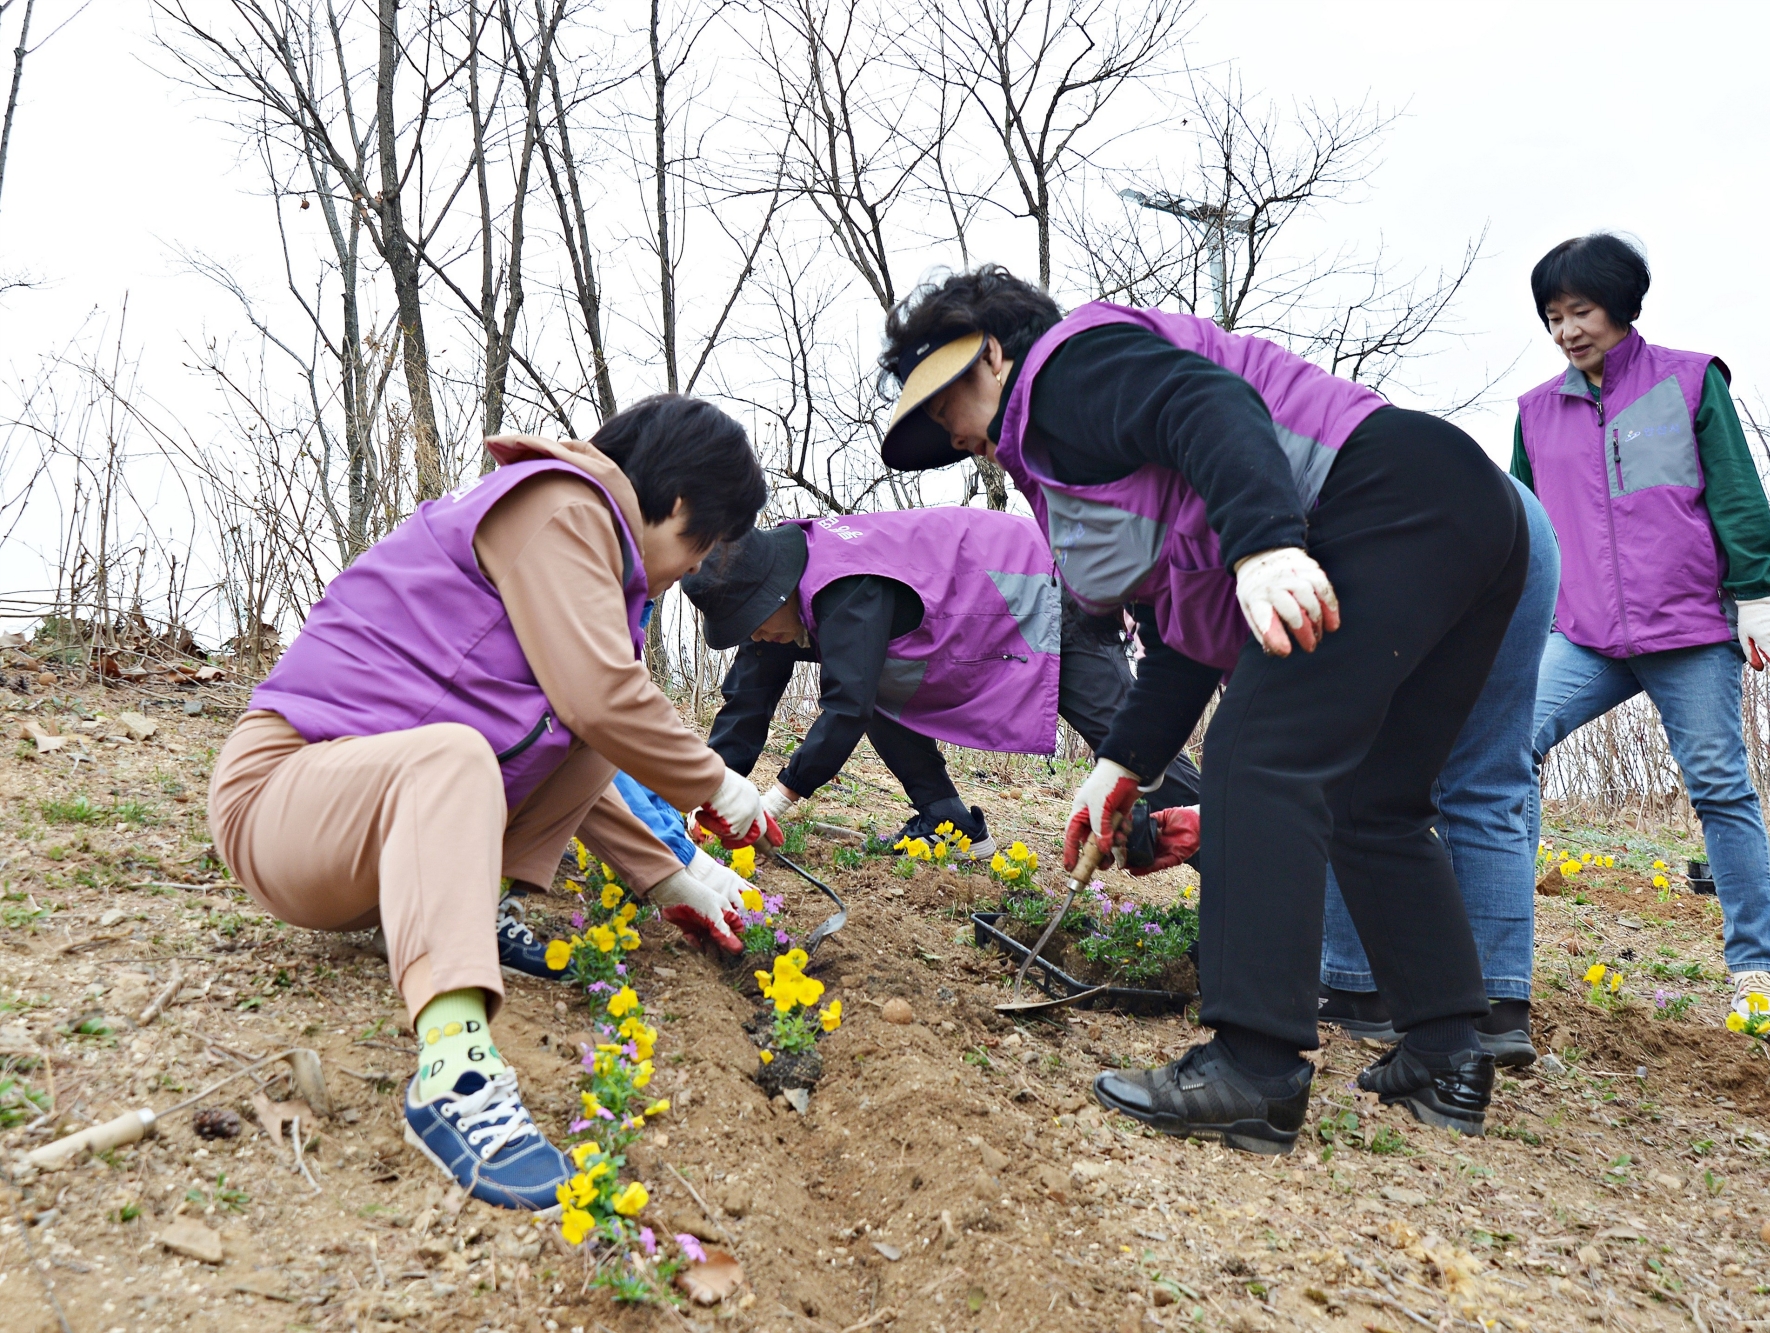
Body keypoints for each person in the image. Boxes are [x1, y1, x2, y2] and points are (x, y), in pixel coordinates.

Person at [878, 266, 1529, 1150]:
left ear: (989, 354)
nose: (957, 440)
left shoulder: (1064, 371)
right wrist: (1118, 768)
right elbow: (1187, 644)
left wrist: (1266, 545)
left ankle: (1253, 1070)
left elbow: (1206, 401)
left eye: (943, 407)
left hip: (1375, 494)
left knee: (1256, 759)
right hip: (1464, 505)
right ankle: (1449, 1052)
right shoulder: (1155, 490)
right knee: (1375, 798)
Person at [207, 397, 775, 1214]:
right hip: (283, 797)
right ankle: (454, 1074)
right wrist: (719, 786)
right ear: (680, 502)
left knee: (573, 735)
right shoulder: (558, 507)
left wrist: (674, 875)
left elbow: (587, 734)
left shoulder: (595, 564)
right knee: (461, 752)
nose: (695, 567)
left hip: (368, 828)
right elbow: (604, 696)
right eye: (703, 543)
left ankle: (462, 914)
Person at [1514, 233, 1770, 1025]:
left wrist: (1755, 592)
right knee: (1505, 746)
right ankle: (1503, 940)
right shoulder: (1536, 414)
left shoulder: (1689, 381)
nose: (1568, 331)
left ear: (1622, 306)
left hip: (1690, 630)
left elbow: (1736, 493)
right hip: (1584, 634)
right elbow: (1523, 525)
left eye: (1581, 311)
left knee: (1719, 786)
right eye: (1552, 317)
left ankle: (1754, 968)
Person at [678, 508, 1202, 859]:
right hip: (981, 610)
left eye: (756, 625)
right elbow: (747, 701)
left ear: (775, 595)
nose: (759, 638)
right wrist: (709, 796)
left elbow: (847, 707)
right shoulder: (767, 591)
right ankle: (948, 820)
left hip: (1043, 585)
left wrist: (776, 801)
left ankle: (1239, 852)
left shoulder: (845, 588)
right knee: (882, 682)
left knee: (1133, 749)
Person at [1318, 476, 1560, 1067]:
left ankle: (1354, 984)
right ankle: (1497, 1011)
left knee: (1346, 756)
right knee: (1489, 780)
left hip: (1414, 518)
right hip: (1521, 519)